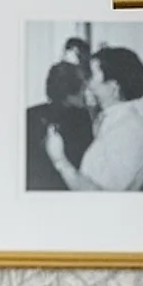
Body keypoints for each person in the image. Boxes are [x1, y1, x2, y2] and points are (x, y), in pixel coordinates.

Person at [44, 45, 143, 192]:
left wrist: (60, 161)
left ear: (113, 87)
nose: (86, 83)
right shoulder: (108, 121)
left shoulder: (131, 132)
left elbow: (100, 197)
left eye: (91, 76)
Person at [25, 61, 94, 190]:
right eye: (83, 88)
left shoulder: (30, 113)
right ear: (73, 91)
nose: (87, 92)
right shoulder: (82, 118)